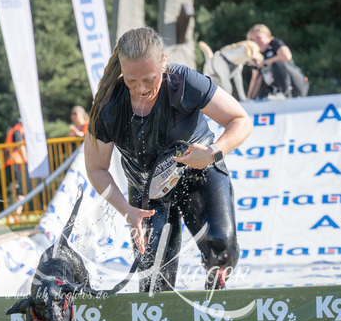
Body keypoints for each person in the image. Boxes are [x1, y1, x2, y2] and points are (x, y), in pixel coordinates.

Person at [84, 27, 253, 292]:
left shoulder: (184, 81)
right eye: (131, 80)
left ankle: (214, 292)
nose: (141, 89)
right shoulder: (109, 106)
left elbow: (240, 120)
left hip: (199, 173)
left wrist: (213, 152)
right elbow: (96, 169)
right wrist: (127, 210)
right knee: (154, 283)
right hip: (148, 191)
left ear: (163, 62)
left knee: (223, 251)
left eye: (149, 79)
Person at [246, 24, 309, 100]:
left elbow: (286, 56)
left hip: (297, 84)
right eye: (253, 40)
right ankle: (280, 94)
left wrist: (265, 62)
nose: (257, 42)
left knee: (276, 64)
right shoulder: (257, 55)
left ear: (267, 35)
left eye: (259, 38)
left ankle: (284, 93)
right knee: (262, 97)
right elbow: (255, 79)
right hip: (276, 87)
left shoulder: (274, 43)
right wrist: (249, 98)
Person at [4, 118, 30, 222]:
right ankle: (16, 216)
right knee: (21, 192)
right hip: (17, 163)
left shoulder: (10, 132)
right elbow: (20, 145)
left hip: (9, 164)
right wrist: (26, 160)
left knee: (16, 192)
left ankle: (14, 215)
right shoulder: (17, 130)